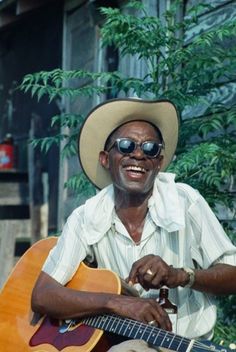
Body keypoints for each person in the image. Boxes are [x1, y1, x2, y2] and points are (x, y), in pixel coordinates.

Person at [32, 98, 236, 351]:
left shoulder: (186, 202)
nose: (138, 154)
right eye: (126, 145)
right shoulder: (86, 217)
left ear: (159, 162)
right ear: (106, 159)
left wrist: (182, 275)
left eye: (150, 148)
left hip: (185, 344)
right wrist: (115, 302)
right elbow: (42, 294)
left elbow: (233, 275)